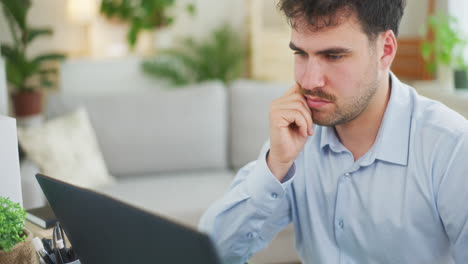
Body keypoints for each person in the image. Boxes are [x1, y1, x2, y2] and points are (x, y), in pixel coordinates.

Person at [199, 0, 468, 263]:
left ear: (385, 50)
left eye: (334, 56)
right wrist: (276, 165)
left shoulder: (451, 148)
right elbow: (214, 252)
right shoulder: (298, 138)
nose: (309, 80)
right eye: (301, 54)